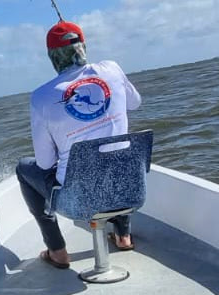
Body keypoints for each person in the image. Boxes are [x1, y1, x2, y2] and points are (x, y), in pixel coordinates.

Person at [16, 20, 142, 269]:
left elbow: (45, 162)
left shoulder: (41, 97)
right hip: (129, 192)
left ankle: (57, 251)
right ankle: (123, 235)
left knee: (24, 168)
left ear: (52, 56)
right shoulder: (112, 69)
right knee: (116, 156)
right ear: (83, 46)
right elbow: (135, 103)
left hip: (78, 202)